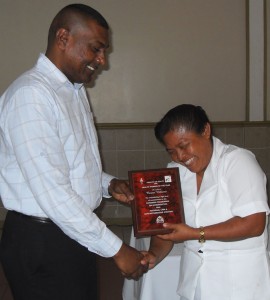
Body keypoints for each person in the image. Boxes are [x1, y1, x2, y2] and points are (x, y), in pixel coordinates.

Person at [0, 4, 147, 300]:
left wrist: (106, 184)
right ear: (63, 38)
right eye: (95, 49)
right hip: (43, 240)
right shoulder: (32, 96)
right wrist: (116, 248)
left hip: (70, 232)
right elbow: (53, 192)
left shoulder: (73, 92)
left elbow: (70, 161)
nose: (102, 61)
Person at [142, 104, 270, 300]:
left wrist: (195, 233)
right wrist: (153, 255)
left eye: (184, 146)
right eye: (171, 151)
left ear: (205, 131)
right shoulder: (174, 172)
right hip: (195, 283)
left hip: (240, 284)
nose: (180, 157)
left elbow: (254, 223)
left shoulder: (237, 161)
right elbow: (165, 229)